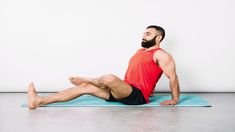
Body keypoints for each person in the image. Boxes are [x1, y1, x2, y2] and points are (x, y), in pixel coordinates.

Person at [28, 25, 180, 109]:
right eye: (144, 33)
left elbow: (172, 77)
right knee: (84, 87)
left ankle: (86, 79)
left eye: (148, 34)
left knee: (109, 78)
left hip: (137, 96)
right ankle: (39, 101)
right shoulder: (139, 51)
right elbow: (141, 74)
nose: (143, 36)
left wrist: (174, 99)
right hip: (124, 90)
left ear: (158, 37)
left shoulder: (162, 55)